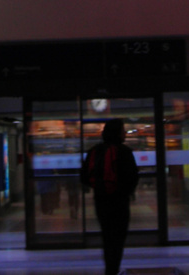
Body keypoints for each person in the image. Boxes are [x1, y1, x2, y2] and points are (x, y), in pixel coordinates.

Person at [81, 118, 139, 275]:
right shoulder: (124, 151)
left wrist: (99, 187)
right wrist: (126, 192)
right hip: (119, 202)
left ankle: (109, 269)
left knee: (107, 237)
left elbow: (84, 177)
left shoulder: (94, 151)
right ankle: (113, 269)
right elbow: (133, 177)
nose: (125, 133)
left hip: (101, 201)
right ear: (118, 133)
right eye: (123, 130)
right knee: (118, 239)